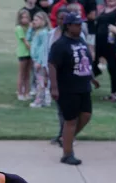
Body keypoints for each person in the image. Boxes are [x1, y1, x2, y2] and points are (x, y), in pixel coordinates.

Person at [49, 13, 99, 165]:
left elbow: (85, 62)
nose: (80, 26)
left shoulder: (81, 41)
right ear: (68, 26)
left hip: (83, 86)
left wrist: (91, 77)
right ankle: (67, 154)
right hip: (68, 88)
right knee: (70, 120)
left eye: (80, 24)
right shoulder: (60, 44)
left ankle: (65, 139)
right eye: (76, 24)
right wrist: (54, 87)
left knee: (86, 115)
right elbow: (52, 65)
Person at [47, 8, 70, 147]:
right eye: (60, 18)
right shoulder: (51, 34)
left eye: (65, 18)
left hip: (70, 78)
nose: (62, 21)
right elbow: (47, 55)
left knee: (67, 110)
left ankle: (65, 135)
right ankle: (63, 134)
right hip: (56, 77)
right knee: (60, 109)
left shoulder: (76, 35)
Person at [95, 0, 116, 102]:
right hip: (99, 42)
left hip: (112, 43)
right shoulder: (103, 8)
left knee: (113, 67)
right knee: (94, 64)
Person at [29, 11, 51, 108]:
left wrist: (39, 61)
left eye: (36, 20)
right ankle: (45, 100)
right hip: (35, 60)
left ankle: (39, 101)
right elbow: (28, 38)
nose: (34, 22)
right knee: (40, 81)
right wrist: (30, 29)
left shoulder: (44, 33)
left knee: (40, 82)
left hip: (40, 62)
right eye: (33, 20)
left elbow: (43, 49)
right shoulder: (36, 31)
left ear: (43, 21)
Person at [15, 9, 33, 101]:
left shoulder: (29, 28)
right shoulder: (19, 28)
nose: (25, 19)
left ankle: (27, 92)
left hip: (29, 53)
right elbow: (25, 41)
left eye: (27, 17)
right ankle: (20, 92)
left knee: (27, 74)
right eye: (23, 17)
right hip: (23, 52)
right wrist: (33, 50)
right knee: (22, 73)